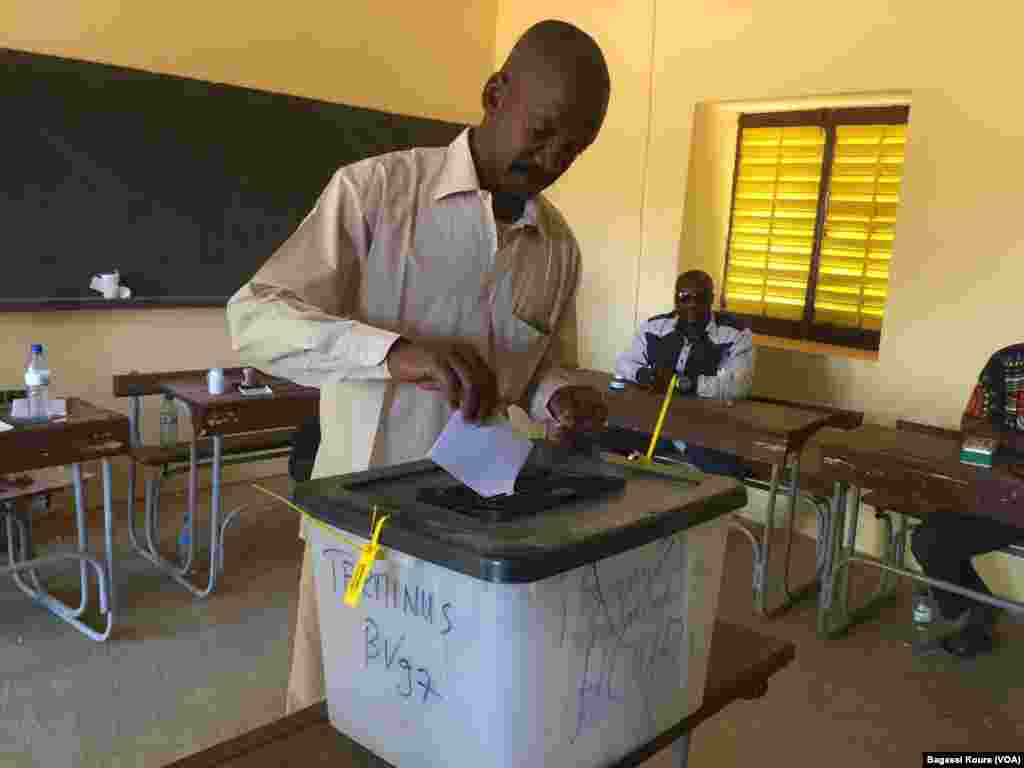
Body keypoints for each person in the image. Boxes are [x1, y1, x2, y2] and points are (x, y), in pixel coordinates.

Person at [226, 20, 611, 713]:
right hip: (361, 526)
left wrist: (559, 398)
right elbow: (253, 321)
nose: (555, 157)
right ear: (496, 94)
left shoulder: (559, 250)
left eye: (577, 147)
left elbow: (539, 364)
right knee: (333, 708)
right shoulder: (376, 194)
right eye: (545, 130)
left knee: (444, 710)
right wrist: (392, 353)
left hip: (483, 526)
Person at [911, 343, 1024, 658]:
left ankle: (980, 617)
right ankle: (978, 613)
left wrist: (1003, 437)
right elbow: (971, 425)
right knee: (929, 539)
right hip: (1000, 495)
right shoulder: (1007, 362)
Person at [604, 269, 754, 477]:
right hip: (652, 422)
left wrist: (687, 383)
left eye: (700, 298)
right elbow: (624, 363)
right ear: (675, 299)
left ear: (711, 299)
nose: (692, 304)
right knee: (603, 441)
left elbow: (739, 385)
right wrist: (643, 375)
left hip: (703, 429)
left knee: (728, 475)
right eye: (684, 297)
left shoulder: (735, 333)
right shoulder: (654, 327)